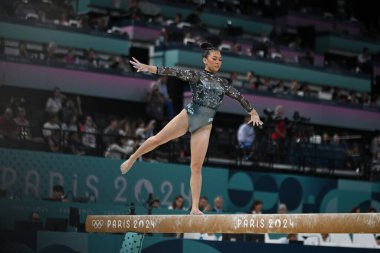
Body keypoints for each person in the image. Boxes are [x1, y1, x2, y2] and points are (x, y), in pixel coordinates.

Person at [121, 43, 263, 215]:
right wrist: (148, 68)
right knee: (158, 139)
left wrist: (253, 113)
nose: (218, 62)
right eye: (214, 58)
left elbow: (239, 97)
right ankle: (133, 157)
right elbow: (172, 71)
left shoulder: (223, 84)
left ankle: (194, 207)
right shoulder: (196, 75)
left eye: (220, 59)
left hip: (204, 125)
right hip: (188, 117)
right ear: (205, 60)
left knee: (196, 166)